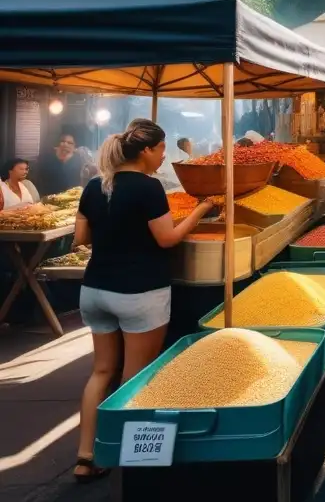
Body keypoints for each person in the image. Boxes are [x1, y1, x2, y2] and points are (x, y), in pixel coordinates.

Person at [73, 119, 214, 482]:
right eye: (162, 149)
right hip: (140, 293)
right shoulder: (149, 188)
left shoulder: (94, 185)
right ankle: (127, 461)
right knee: (135, 377)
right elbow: (167, 239)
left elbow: (81, 238)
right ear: (146, 152)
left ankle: (85, 455)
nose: (164, 155)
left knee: (101, 372)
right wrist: (201, 211)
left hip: (95, 291)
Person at [36, 132, 86, 196]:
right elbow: (41, 178)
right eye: (63, 141)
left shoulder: (78, 159)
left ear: (74, 146)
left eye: (69, 143)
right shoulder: (48, 157)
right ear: (58, 143)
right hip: (49, 197)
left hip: (71, 197)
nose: (65, 144)